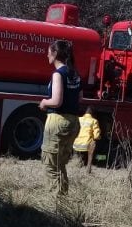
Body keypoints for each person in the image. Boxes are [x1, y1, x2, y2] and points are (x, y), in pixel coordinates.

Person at [38, 40, 81, 196]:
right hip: (74, 122)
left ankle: (55, 205)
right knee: (60, 164)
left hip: (58, 121)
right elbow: (79, 98)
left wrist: (44, 102)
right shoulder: (75, 73)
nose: (47, 54)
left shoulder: (58, 74)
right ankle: (63, 199)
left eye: (49, 51)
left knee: (51, 165)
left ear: (55, 54)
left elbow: (56, 101)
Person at [73, 106, 101, 174]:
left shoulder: (79, 119)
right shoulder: (94, 121)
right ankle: (89, 168)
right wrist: (99, 137)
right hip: (86, 146)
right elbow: (96, 136)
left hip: (75, 145)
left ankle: (78, 162)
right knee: (93, 142)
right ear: (93, 114)